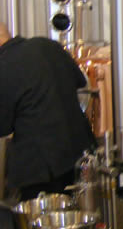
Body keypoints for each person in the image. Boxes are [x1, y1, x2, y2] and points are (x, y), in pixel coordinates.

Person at [0, 22, 95, 200]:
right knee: (82, 211)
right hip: (81, 156)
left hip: (41, 172)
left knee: (42, 217)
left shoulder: (3, 67)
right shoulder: (49, 45)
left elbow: (3, 126)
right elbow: (81, 84)